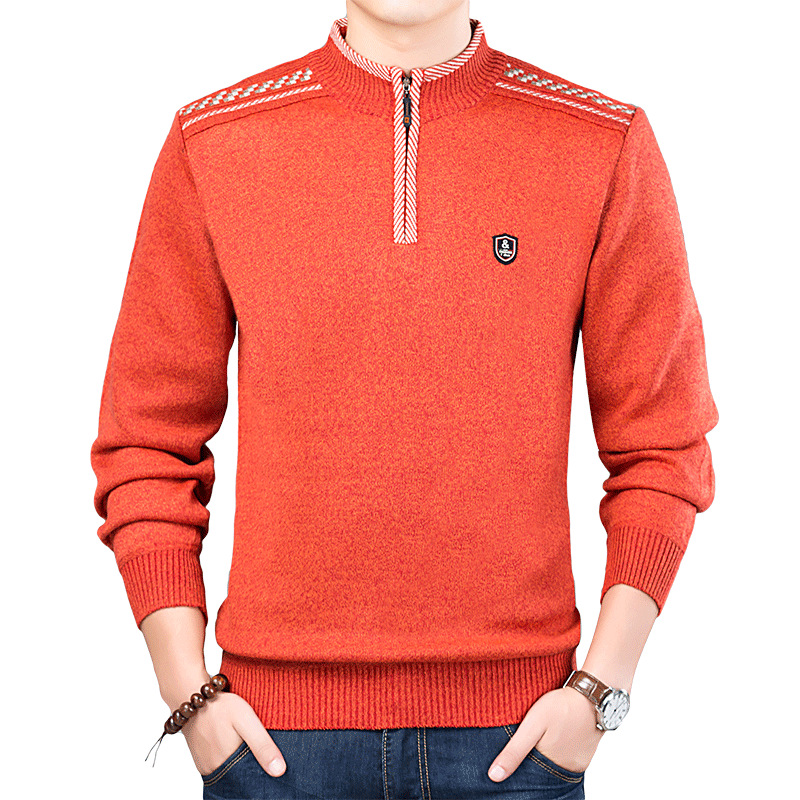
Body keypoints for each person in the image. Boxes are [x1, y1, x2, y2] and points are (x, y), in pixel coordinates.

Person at [89, 1, 719, 797]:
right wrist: (187, 693)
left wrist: (600, 691)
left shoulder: (599, 139)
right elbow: (146, 439)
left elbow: (664, 444)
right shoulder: (215, 139)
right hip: (275, 740)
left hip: (518, 739)